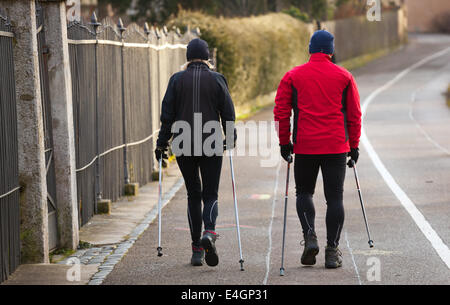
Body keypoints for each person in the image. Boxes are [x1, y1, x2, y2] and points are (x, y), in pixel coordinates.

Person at [273, 30, 362, 269]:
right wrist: (354, 146)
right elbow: (354, 115)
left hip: (305, 146)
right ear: (331, 51)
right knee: (335, 198)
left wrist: (284, 143)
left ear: (310, 49)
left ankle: (310, 236)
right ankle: (332, 252)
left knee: (304, 193)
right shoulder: (344, 76)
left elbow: (281, 112)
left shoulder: (293, 76)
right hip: (335, 146)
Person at [155, 38, 236, 267]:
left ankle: (197, 250)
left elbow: (167, 116)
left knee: (193, 193)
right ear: (208, 57)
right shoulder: (218, 79)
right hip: (211, 142)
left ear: (188, 58)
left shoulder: (176, 80)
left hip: (183, 143)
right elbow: (228, 113)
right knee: (210, 194)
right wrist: (230, 140)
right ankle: (209, 232)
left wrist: (161, 144)